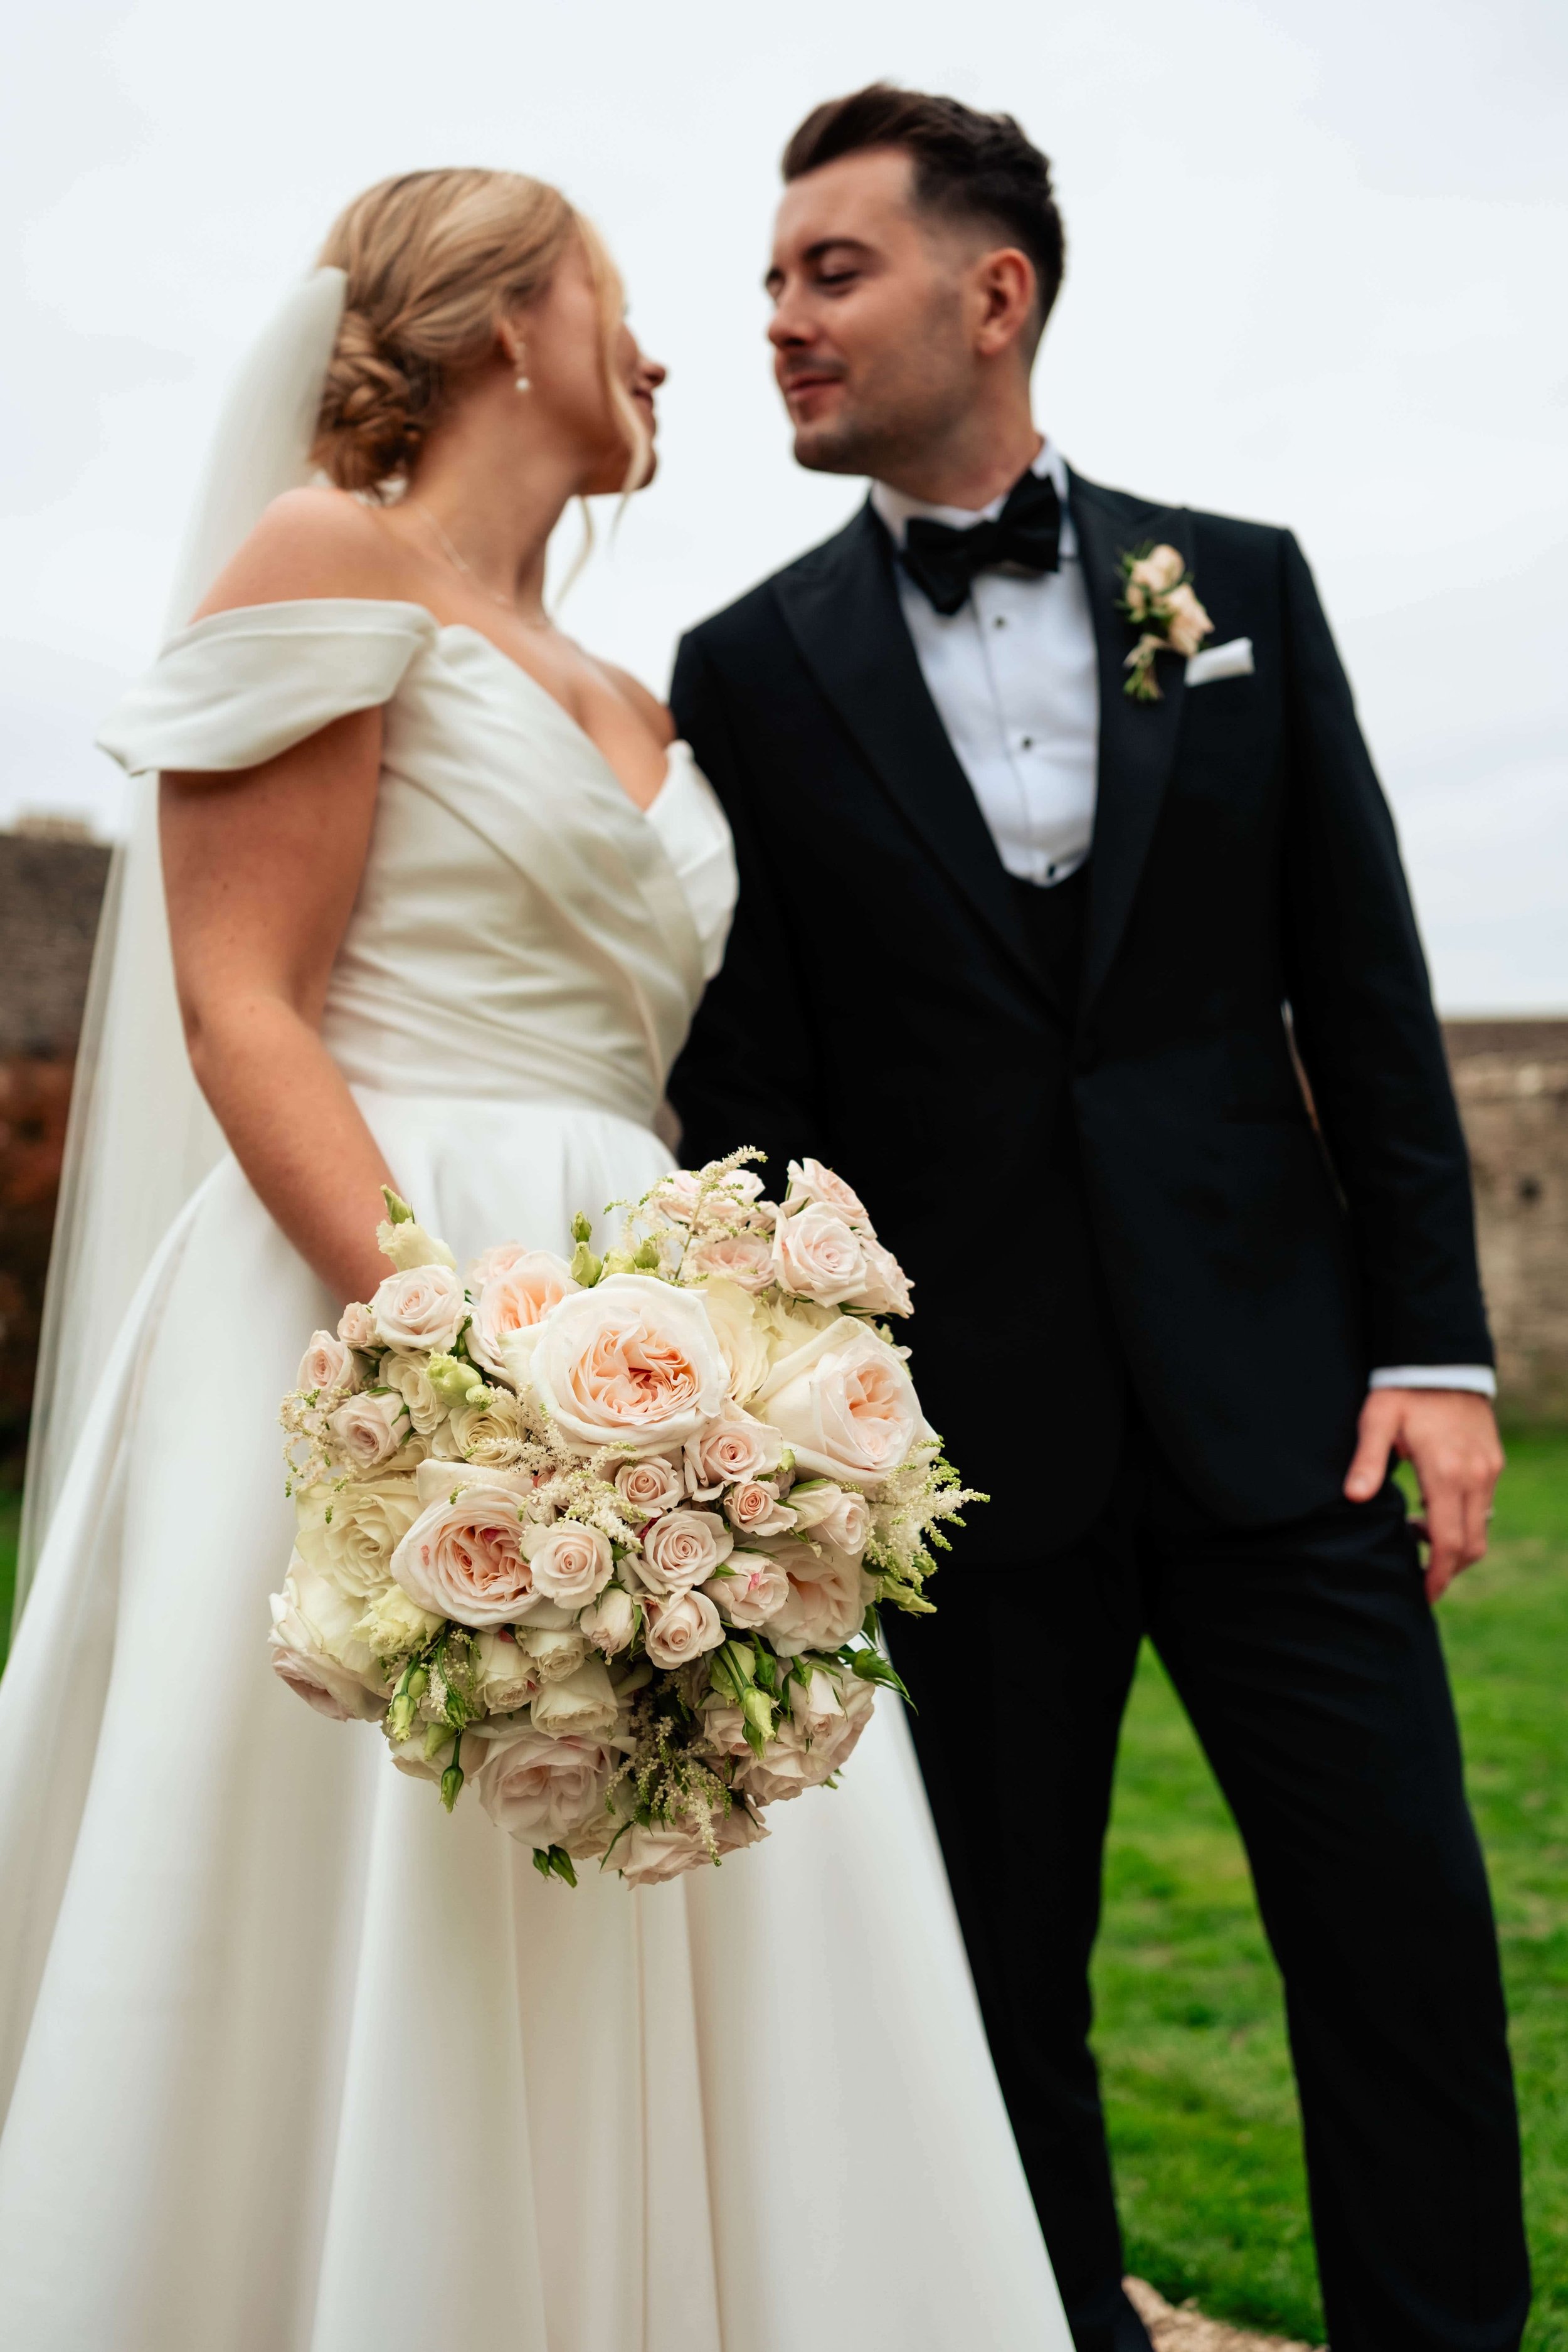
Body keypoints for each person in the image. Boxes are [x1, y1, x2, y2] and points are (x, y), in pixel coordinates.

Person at [0, 168, 1071, 2350]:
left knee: (695, 1867)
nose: (669, 352)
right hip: (366, 1303)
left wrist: (715, 1356)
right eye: (622, 301)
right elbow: (244, 1004)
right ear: (503, 323)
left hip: (652, 1308)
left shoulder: (634, 688)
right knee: (356, 1874)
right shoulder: (324, 562)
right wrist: (457, 1348)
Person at [669, 85, 1530, 2352]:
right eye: (766, 283)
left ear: (994, 290)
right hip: (958, 1459)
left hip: (1287, 1421)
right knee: (992, 2000)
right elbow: (749, 1088)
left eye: (826, 272)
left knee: (1402, 1953)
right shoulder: (744, 671)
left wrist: (1430, 1352)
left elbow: (1357, 969)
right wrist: (789, 1419)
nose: (778, 323)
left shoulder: (1229, 584)